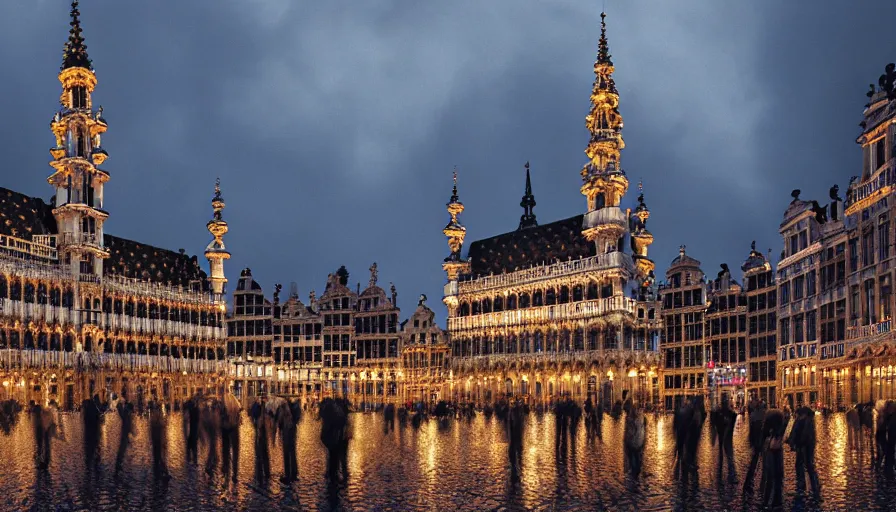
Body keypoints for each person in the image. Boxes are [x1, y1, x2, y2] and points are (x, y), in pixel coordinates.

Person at [787, 406, 820, 495]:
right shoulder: (808, 421)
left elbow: (800, 433)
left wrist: (794, 441)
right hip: (804, 446)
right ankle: (813, 485)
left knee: (806, 465)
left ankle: (807, 485)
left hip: (803, 446)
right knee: (805, 465)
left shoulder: (804, 422)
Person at [712, 396, 737, 481]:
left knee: (729, 455)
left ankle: (728, 473)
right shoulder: (728, 413)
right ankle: (730, 473)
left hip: (726, 436)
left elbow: (715, 422)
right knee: (729, 455)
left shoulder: (725, 413)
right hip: (725, 435)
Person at [115, 399, 135, 474]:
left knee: (122, 449)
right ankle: (118, 465)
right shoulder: (127, 413)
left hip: (125, 434)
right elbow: (126, 422)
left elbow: (126, 421)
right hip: (124, 434)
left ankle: (119, 464)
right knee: (122, 449)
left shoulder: (127, 413)